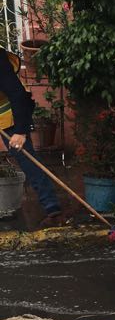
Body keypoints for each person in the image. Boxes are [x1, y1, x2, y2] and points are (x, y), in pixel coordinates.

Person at [0, 49, 64, 227]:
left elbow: (17, 94)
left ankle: (53, 210)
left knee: (28, 162)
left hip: (13, 116)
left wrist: (20, 131)